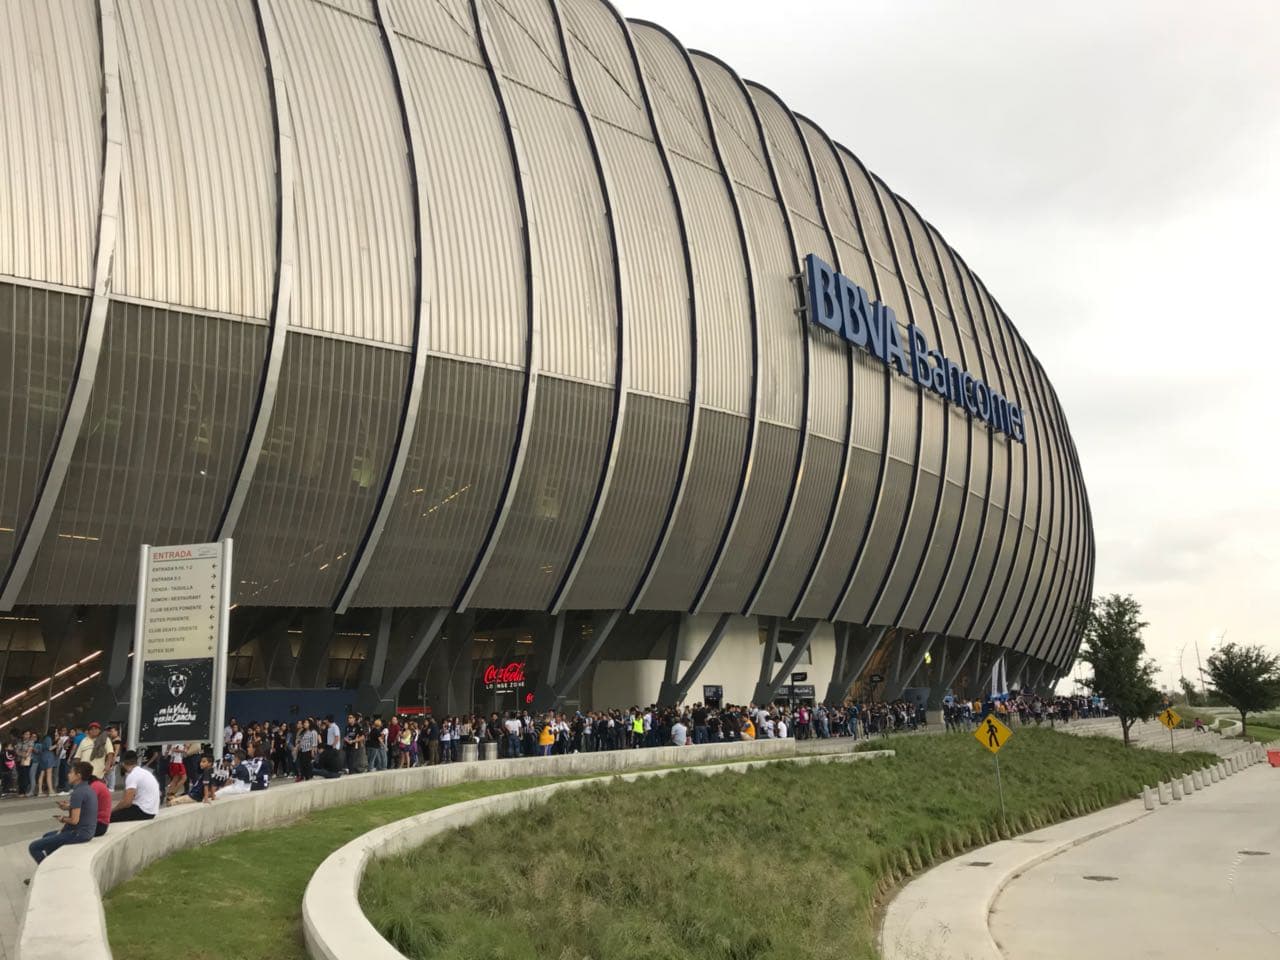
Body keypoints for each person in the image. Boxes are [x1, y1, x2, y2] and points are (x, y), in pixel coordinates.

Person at [29, 761, 97, 865]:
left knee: (33, 847)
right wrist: (68, 807)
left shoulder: (78, 793)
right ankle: (53, 865)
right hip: (87, 831)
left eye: (71, 772)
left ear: (78, 776)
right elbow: (82, 809)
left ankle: (46, 870)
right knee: (47, 836)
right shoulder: (87, 789)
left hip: (79, 833)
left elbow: (74, 820)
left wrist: (62, 818)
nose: (68, 774)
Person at [112, 750, 160, 822]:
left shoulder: (132, 775)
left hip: (144, 811)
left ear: (123, 763)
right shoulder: (144, 772)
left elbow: (127, 802)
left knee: (109, 818)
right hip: (151, 810)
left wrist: (112, 810)